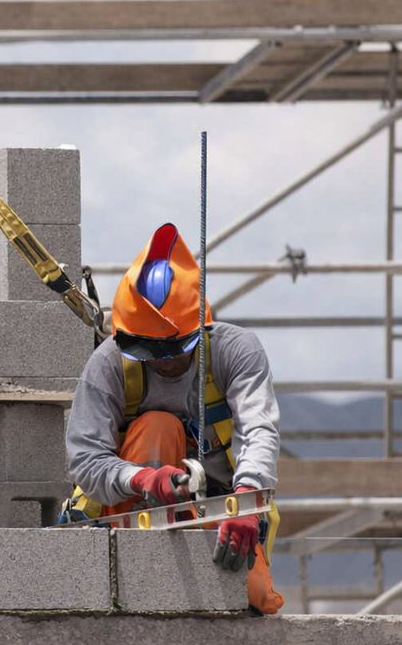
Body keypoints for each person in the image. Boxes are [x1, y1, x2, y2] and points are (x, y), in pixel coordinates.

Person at [62, 222, 284, 615]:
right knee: (157, 425)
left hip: (218, 505)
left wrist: (247, 499)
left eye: (173, 350)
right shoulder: (110, 363)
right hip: (128, 509)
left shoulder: (235, 352)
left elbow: (258, 430)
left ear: (199, 329)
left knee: (252, 596)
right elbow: (85, 459)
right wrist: (144, 478)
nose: (163, 362)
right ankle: (139, 569)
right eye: (149, 352)